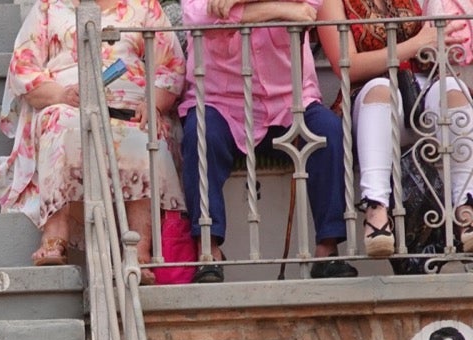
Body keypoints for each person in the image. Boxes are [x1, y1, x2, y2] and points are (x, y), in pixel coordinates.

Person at [0, 0, 184, 270]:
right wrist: (60, 94)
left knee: (144, 135)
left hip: (132, 105)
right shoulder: (50, 6)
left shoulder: (144, 5)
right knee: (60, 126)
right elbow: (23, 68)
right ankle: (54, 234)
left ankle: (140, 249)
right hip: (68, 101)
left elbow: (171, 67)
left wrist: (153, 103)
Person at [179, 0, 357, 280]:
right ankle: (208, 252)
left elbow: (310, 6)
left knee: (328, 132)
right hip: (221, 102)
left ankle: (327, 251)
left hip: (290, 101)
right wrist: (278, 9)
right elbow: (196, 15)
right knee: (200, 134)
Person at [315, 0, 473, 256]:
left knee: (454, 92)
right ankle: (377, 210)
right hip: (371, 99)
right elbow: (347, 65)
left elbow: (435, 36)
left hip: (420, 91)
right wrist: (414, 45)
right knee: (382, 93)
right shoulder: (332, 3)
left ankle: (466, 207)